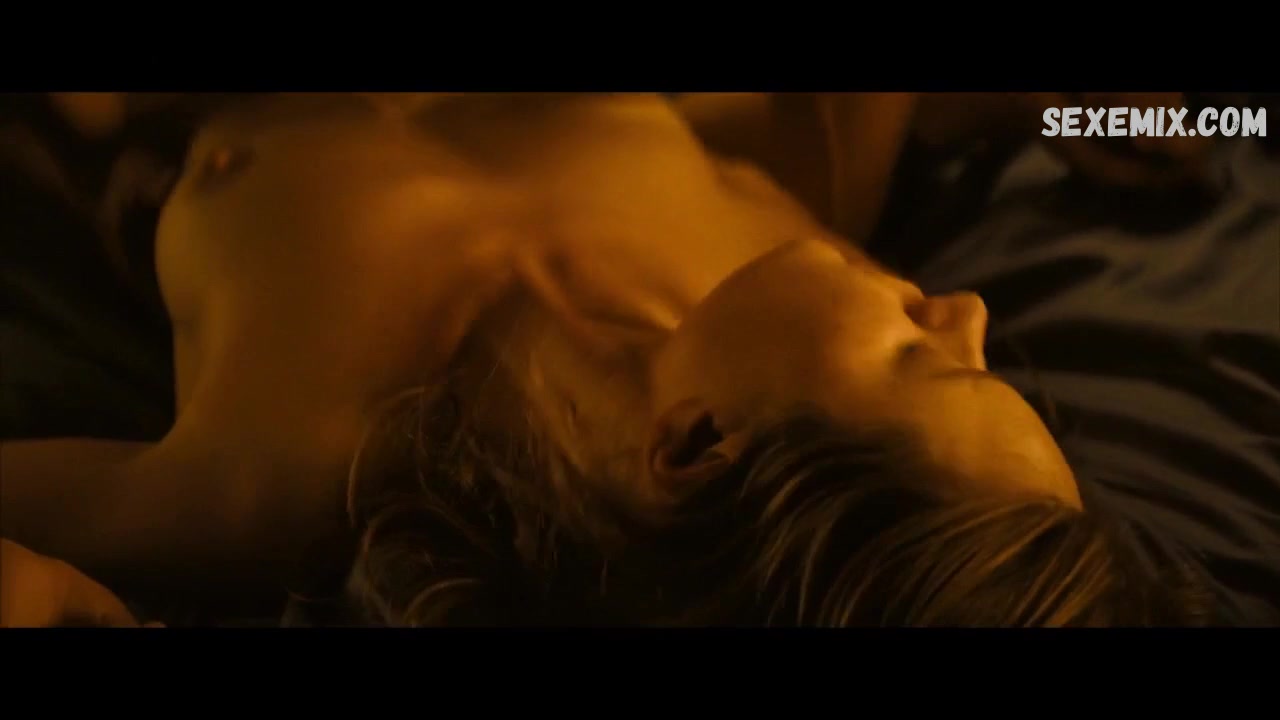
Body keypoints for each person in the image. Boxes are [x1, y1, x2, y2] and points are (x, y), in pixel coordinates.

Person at [0, 93, 1219, 625]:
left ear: (699, 443)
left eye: (928, 360)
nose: (963, 307)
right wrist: (1081, 113)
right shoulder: (780, 236)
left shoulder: (289, 469)